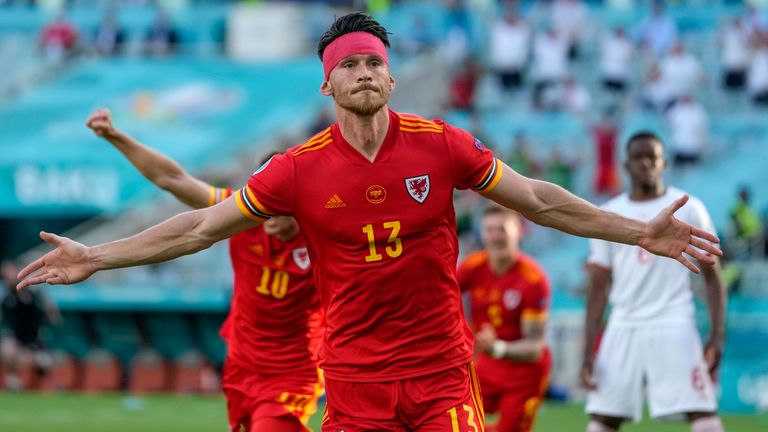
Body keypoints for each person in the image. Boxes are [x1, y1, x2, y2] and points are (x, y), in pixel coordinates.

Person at [18, 13, 721, 431]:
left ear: (389, 77)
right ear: (327, 82)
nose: (362, 71)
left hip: (441, 369)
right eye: (347, 63)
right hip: (352, 379)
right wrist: (99, 255)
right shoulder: (294, 171)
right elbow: (199, 227)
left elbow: (537, 199)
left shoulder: (442, 144)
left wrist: (636, 231)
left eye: (373, 62)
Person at [85, 109, 322, 432]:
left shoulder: (322, 237)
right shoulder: (240, 214)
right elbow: (173, 179)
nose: (268, 219)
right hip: (242, 364)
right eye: (264, 208)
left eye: (278, 209)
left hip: (294, 371)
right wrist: (117, 137)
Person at [581, 131, 726, 432]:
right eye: (638, 157)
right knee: (603, 419)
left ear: (665, 164)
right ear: (626, 165)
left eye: (653, 157)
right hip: (623, 323)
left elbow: (714, 278)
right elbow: (598, 285)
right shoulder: (609, 213)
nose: (645, 163)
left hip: (674, 320)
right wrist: (587, 350)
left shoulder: (690, 208)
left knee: (702, 413)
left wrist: (717, 334)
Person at [458, 206, 551, 432]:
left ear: (518, 232)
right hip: (486, 366)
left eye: (502, 229)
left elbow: (534, 347)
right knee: (455, 422)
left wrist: (497, 348)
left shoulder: (533, 279)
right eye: (489, 230)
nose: (496, 236)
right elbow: (440, 298)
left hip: (524, 373)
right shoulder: (472, 267)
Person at [1, 260, 58, 391]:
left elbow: (52, 314)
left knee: (45, 362)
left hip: (35, 338)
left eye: (8, 271)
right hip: (16, 337)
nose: (6, 275)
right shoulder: (6, 295)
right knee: (8, 350)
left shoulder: (35, 293)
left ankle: (47, 384)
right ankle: (13, 381)